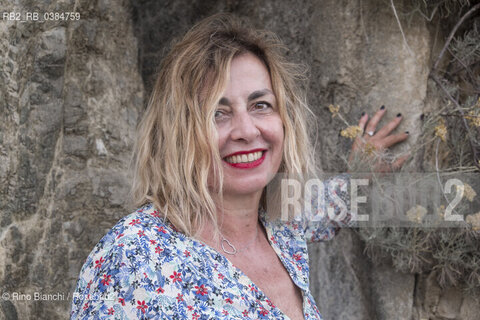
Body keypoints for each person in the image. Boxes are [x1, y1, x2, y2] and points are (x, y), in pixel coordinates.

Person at [70, 13, 408, 319]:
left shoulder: (281, 223)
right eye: (218, 113)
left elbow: (328, 204)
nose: (247, 131)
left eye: (261, 104)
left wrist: (360, 173)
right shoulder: (134, 259)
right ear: (177, 132)